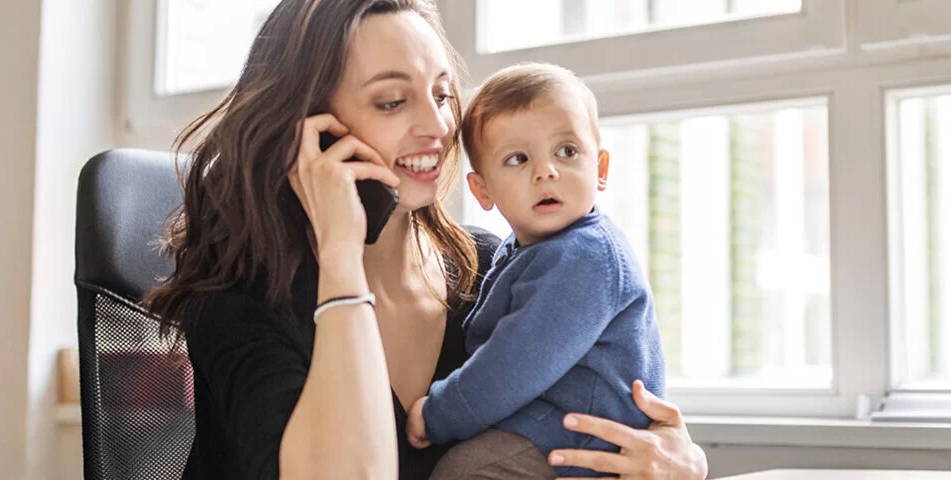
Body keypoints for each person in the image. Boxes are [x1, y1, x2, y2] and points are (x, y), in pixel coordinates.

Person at [140, 1, 709, 479]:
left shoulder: (491, 269)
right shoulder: (237, 299)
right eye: (392, 101)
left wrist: (679, 461)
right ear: (309, 129)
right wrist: (341, 257)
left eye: (441, 94)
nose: (439, 127)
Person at [404, 62, 665, 479]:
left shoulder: (585, 258)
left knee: (463, 471)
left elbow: (511, 365)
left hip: (584, 441)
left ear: (600, 170)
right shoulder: (525, 249)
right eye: (518, 158)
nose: (546, 171)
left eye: (566, 151)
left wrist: (437, 415)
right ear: (482, 190)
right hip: (551, 426)